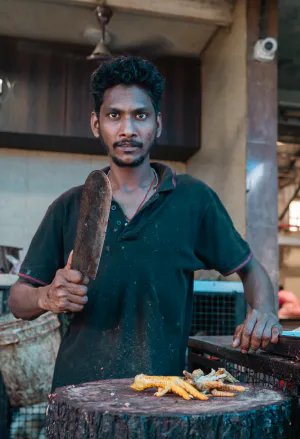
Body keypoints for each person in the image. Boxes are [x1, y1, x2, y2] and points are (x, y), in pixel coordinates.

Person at [8, 57, 282, 391]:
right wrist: (46, 297)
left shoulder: (193, 199)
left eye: (140, 115)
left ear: (158, 124)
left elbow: (251, 269)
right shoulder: (71, 206)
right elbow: (17, 300)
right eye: (114, 116)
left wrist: (266, 311)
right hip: (77, 397)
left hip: (163, 395)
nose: (127, 129)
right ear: (96, 124)